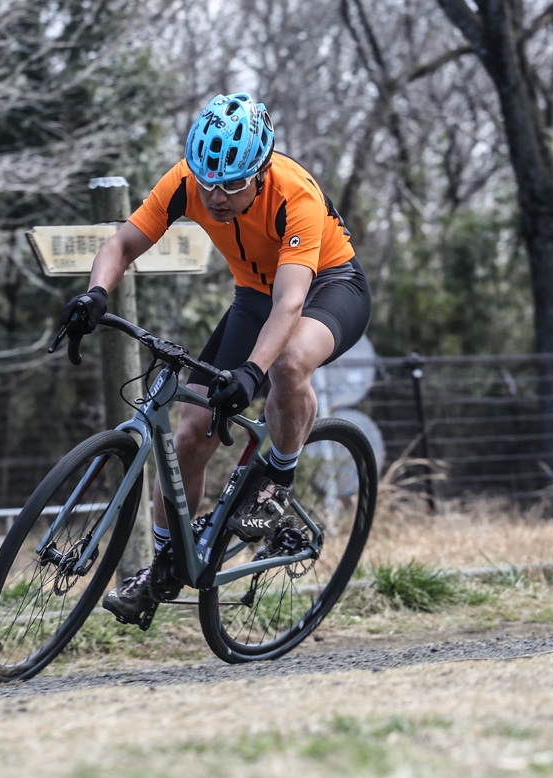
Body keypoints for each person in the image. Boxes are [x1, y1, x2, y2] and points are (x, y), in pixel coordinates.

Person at [59, 92, 372, 625]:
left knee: (287, 365)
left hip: (328, 287)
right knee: (189, 433)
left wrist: (250, 372)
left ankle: (278, 476)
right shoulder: (187, 182)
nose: (218, 197)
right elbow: (121, 246)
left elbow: (291, 302)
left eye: (232, 184)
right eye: (209, 184)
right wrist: (95, 295)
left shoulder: (293, 193)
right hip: (254, 297)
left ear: (261, 168)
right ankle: (161, 567)